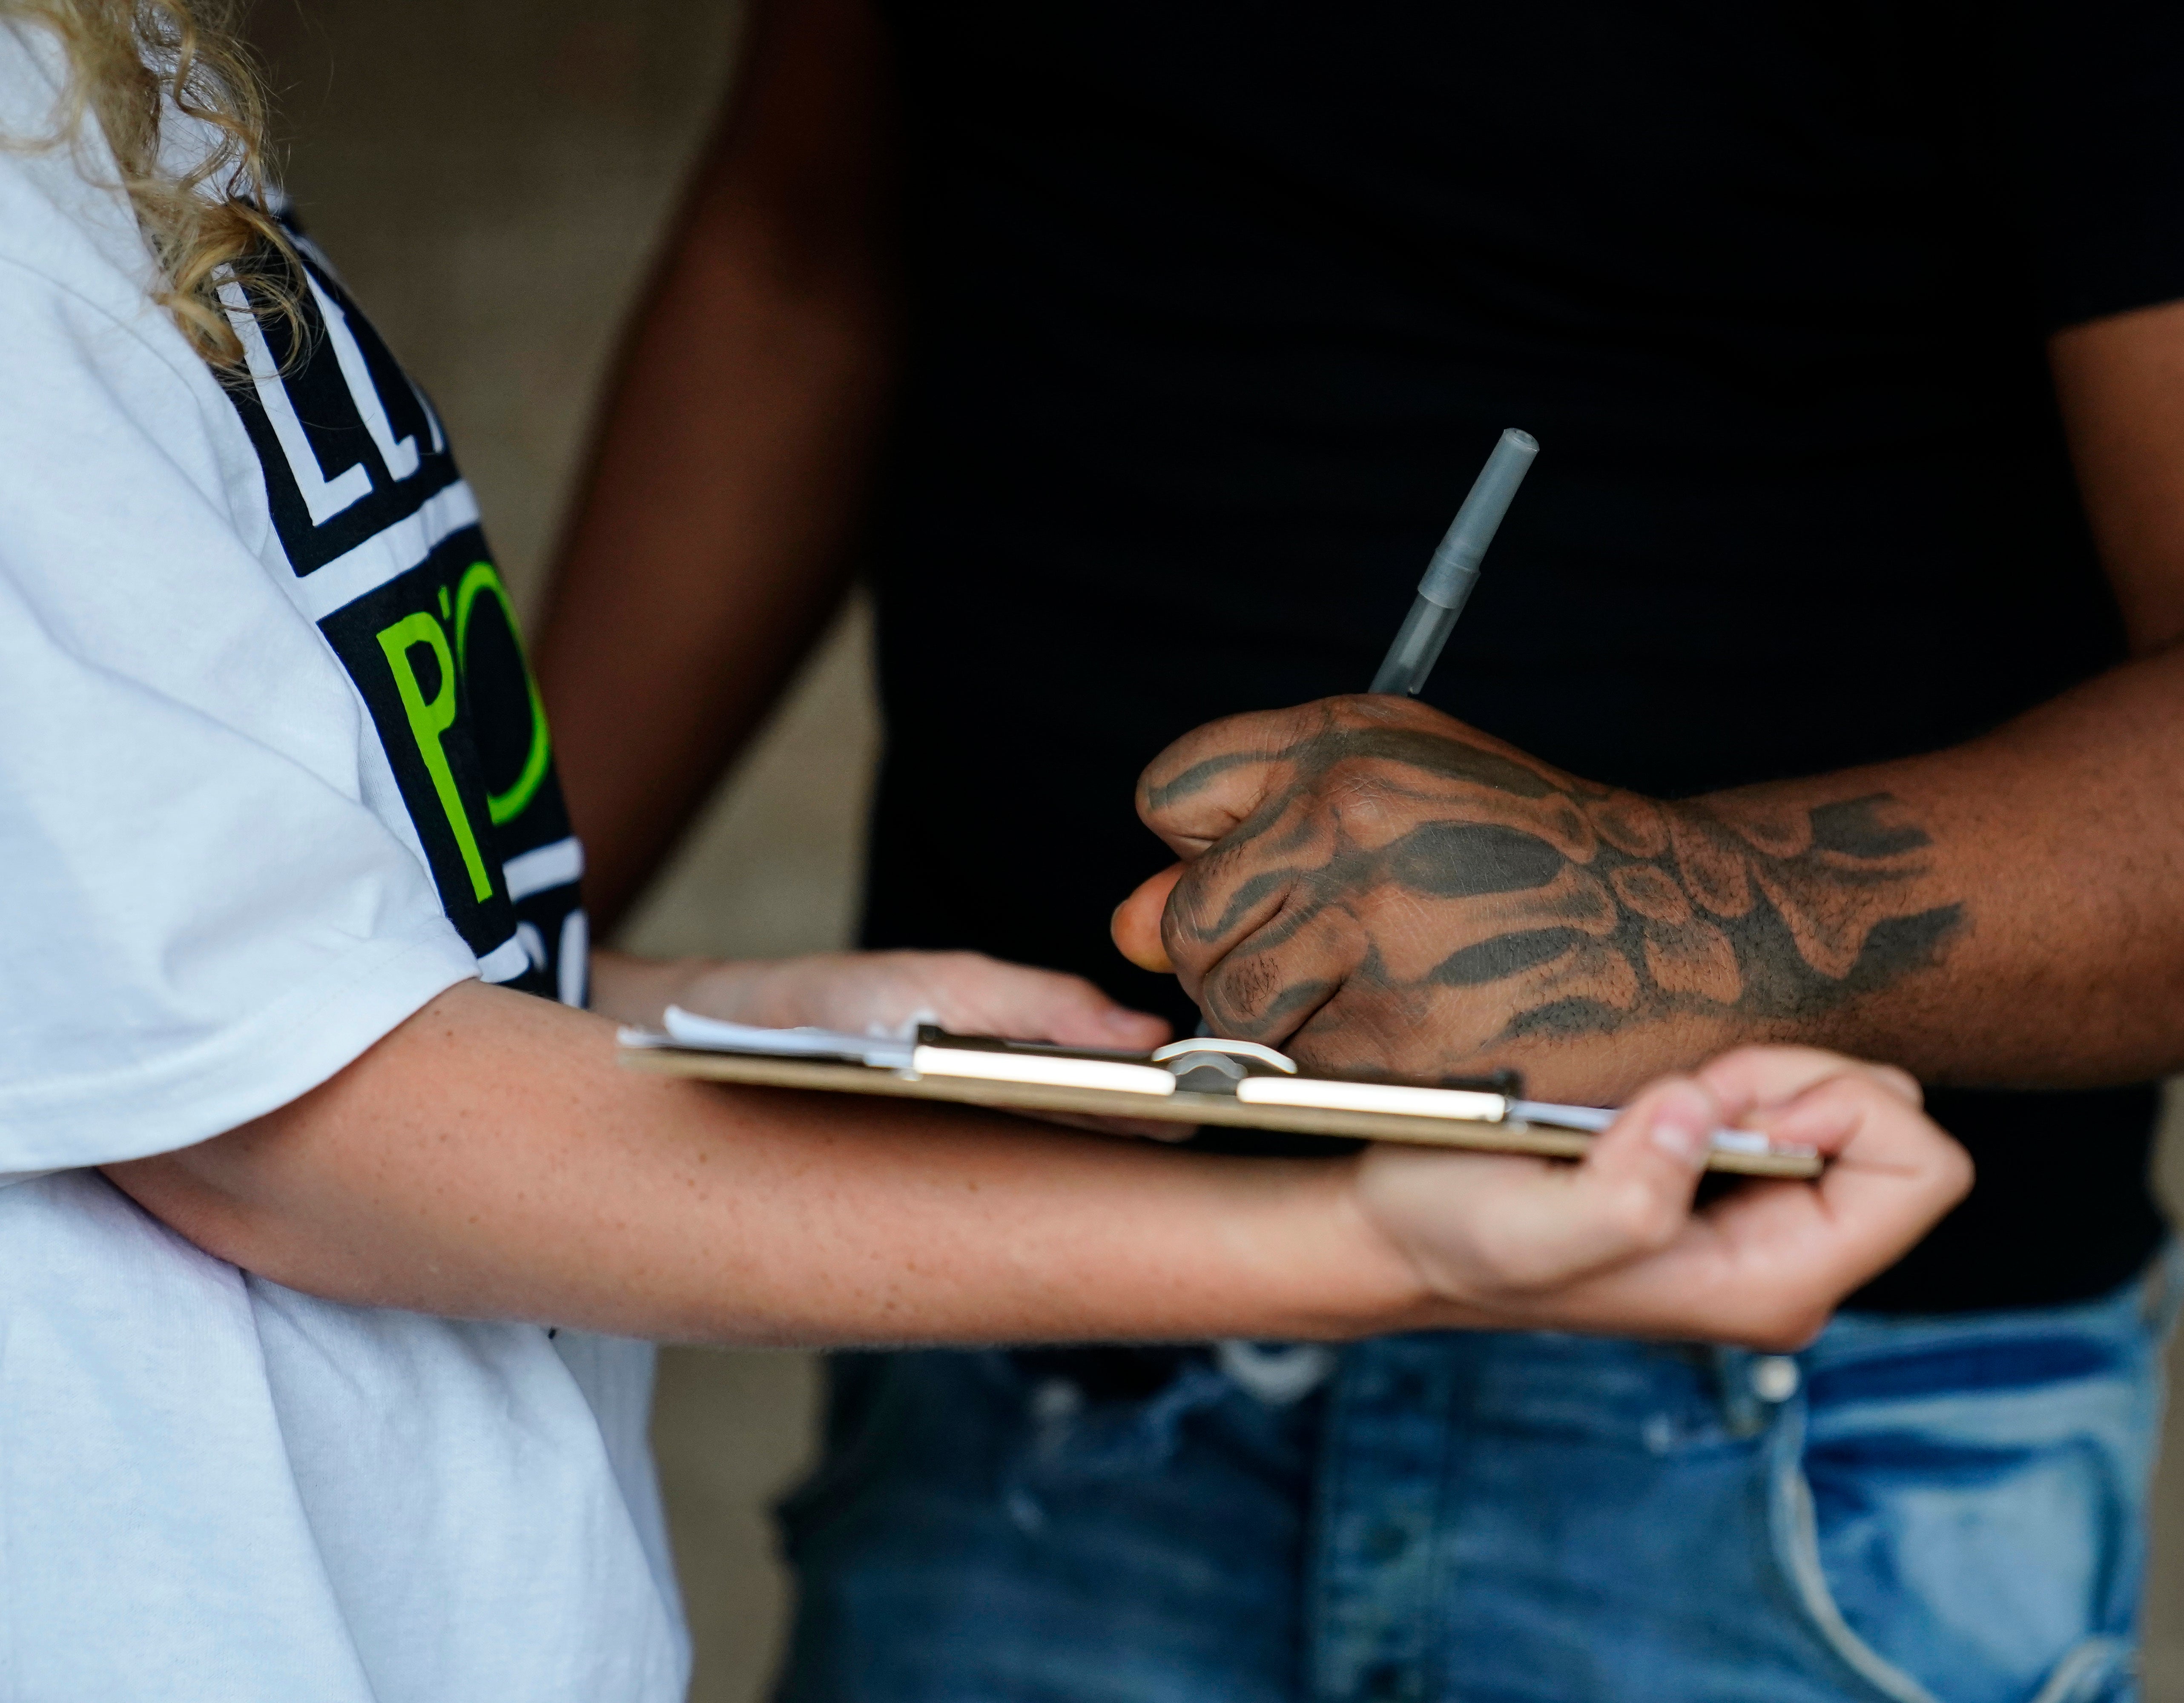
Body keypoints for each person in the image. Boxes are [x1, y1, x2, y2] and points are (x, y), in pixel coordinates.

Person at [534, 0, 2184, 1698]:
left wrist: (1673, 913)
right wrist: (482, 955)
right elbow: (804, 253)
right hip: (1017, 1344)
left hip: (1782, 1414)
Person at [0, 5, 1979, 1700]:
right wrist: (1381, 1242)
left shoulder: (97, 74)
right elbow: (283, 1124)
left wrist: (754, 1025)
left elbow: (156, 977)